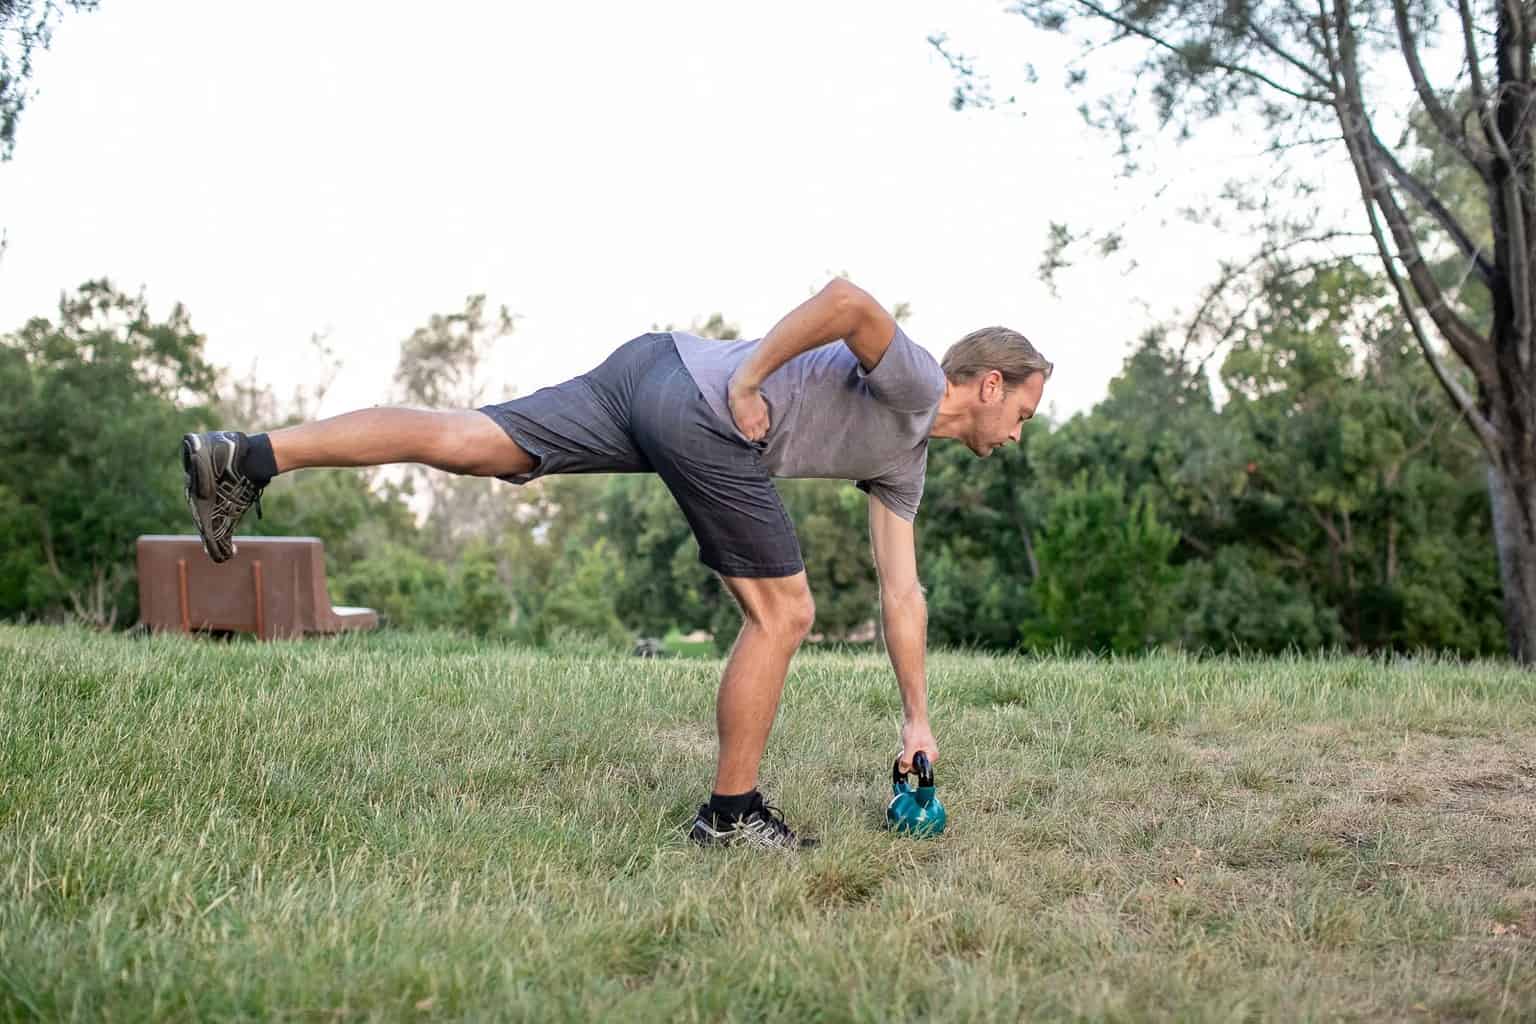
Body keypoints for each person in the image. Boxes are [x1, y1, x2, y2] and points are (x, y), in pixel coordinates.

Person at [180, 278, 1052, 849]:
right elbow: (848, 300)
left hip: (650, 369)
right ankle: (731, 816)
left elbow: (902, 593)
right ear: (987, 384)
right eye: (1023, 409)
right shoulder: (914, 382)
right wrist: (750, 381)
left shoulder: (906, 460)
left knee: (476, 442)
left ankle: (249, 455)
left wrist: (916, 722)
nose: (1018, 432)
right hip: (705, 406)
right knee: (783, 614)